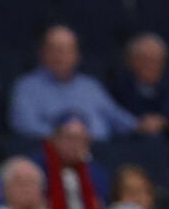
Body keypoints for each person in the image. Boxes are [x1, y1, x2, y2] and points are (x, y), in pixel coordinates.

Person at [10, 28, 138, 140]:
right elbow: (24, 124)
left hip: (98, 153)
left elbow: (116, 116)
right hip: (51, 155)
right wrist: (66, 138)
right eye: (54, 49)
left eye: (66, 50)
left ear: (77, 55)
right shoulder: (27, 86)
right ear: (42, 53)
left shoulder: (90, 86)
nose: (59, 56)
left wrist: (139, 125)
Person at [107, 35, 169, 140]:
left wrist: (165, 122)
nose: (153, 65)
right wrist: (141, 124)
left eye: (159, 60)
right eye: (147, 59)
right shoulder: (116, 91)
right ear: (131, 61)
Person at [40, 119, 102, 209]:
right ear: (55, 139)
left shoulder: (96, 173)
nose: (75, 145)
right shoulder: (38, 168)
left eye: (81, 140)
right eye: (70, 138)